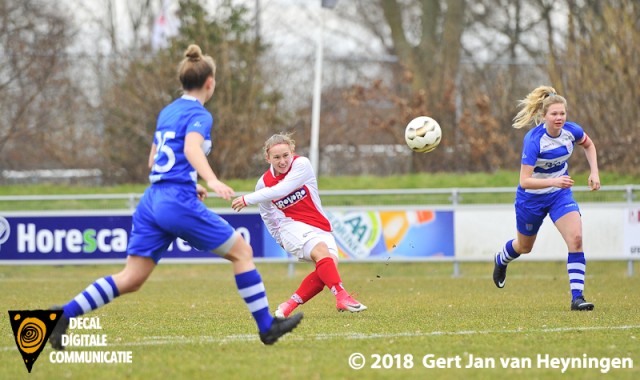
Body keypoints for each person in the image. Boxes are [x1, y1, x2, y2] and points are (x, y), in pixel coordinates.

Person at [49, 45, 302, 349]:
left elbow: (154, 161)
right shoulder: (200, 114)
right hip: (174, 201)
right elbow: (190, 149)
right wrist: (211, 179)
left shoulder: (167, 112)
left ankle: (62, 315)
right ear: (210, 83)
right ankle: (266, 327)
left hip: (153, 199)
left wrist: (186, 180)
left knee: (131, 278)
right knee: (242, 253)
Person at [231, 133, 367, 318]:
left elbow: (283, 189)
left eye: (285, 155)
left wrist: (247, 199)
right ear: (267, 158)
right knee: (321, 252)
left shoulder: (302, 165)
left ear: (292, 152)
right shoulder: (263, 184)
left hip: (319, 225)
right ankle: (342, 296)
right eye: (276, 157)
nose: (282, 161)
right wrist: (279, 238)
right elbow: (267, 215)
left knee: (327, 270)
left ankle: (288, 306)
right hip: (290, 226)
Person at [492, 85, 601, 311]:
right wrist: (553, 181)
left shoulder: (572, 131)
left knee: (576, 239)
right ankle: (501, 259)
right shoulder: (534, 140)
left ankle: (577, 298)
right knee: (524, 247)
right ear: (544, 116)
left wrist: (594, 172)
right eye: (554, 114)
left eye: (562, 113)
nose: (559, 118)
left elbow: (589, 146)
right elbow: (525, 180)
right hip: (531, 199)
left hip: (559, 195)